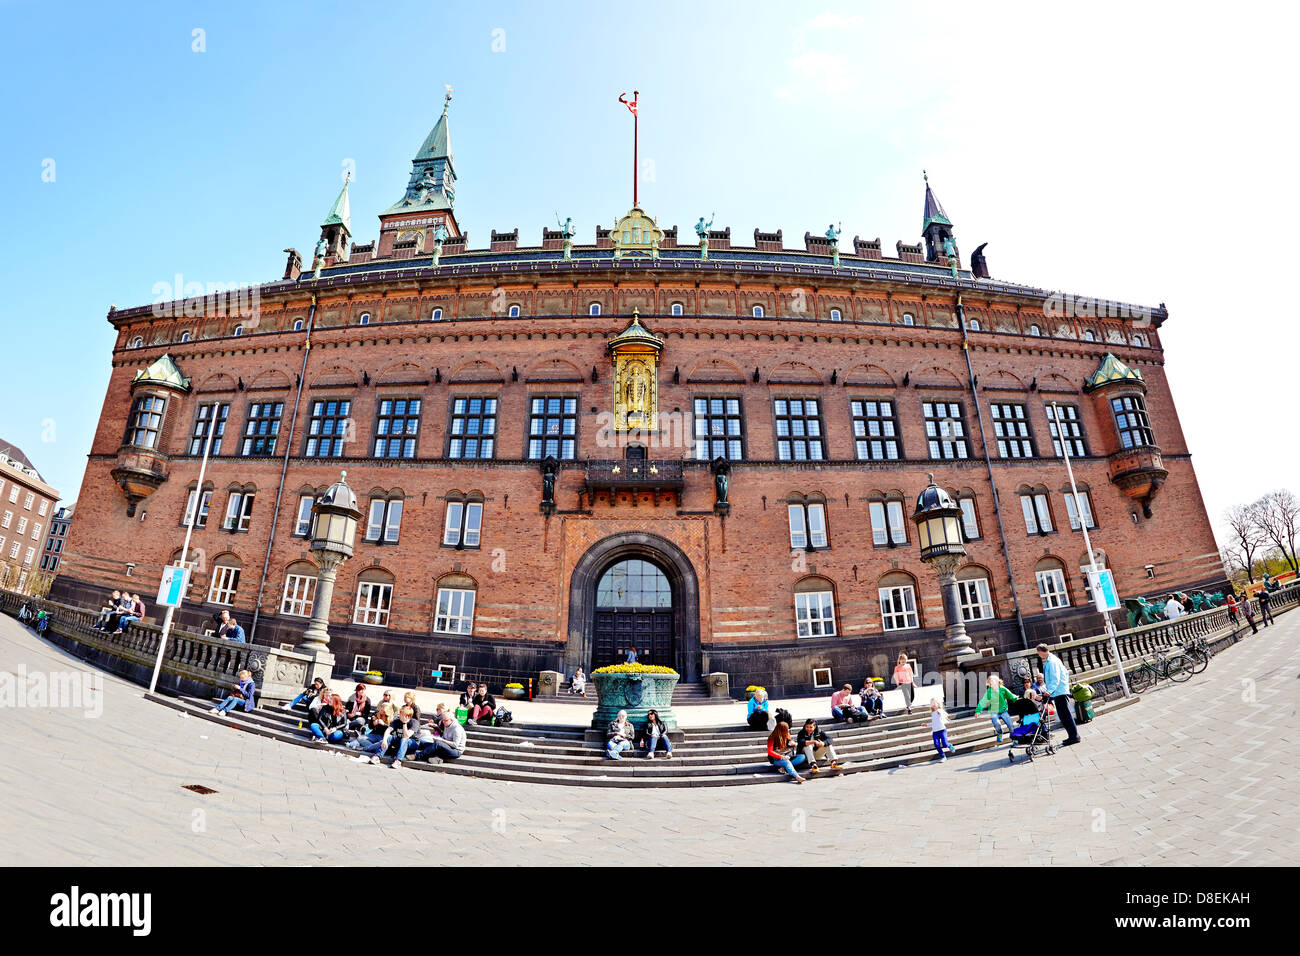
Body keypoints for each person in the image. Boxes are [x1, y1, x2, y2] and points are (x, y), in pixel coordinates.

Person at [1036, 643, 1080, 746]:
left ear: (1043, 651)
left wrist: (1049, 691)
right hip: (1058, 691)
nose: (1039, 655)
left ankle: (1074, 736)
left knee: (1065, 715)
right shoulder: (1050, 660)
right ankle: (1072, 736)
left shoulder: (1052, 662)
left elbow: (1055, 678)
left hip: (1059, 691)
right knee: (1063, 715)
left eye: (1039, 653)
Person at [975, 675, 1018, 743]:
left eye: (992, 682)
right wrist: (978, 711)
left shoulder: (1002, 689)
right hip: (994, 711)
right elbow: (983, 701)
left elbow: (1011, 695)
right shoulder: (989, 691)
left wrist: (1017, 699)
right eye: (990, 683)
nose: (991, 684)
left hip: (1003, 711)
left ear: (997, 682)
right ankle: (1000, 733)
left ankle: (1014, 737)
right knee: (997, 724)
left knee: (1010, 725)